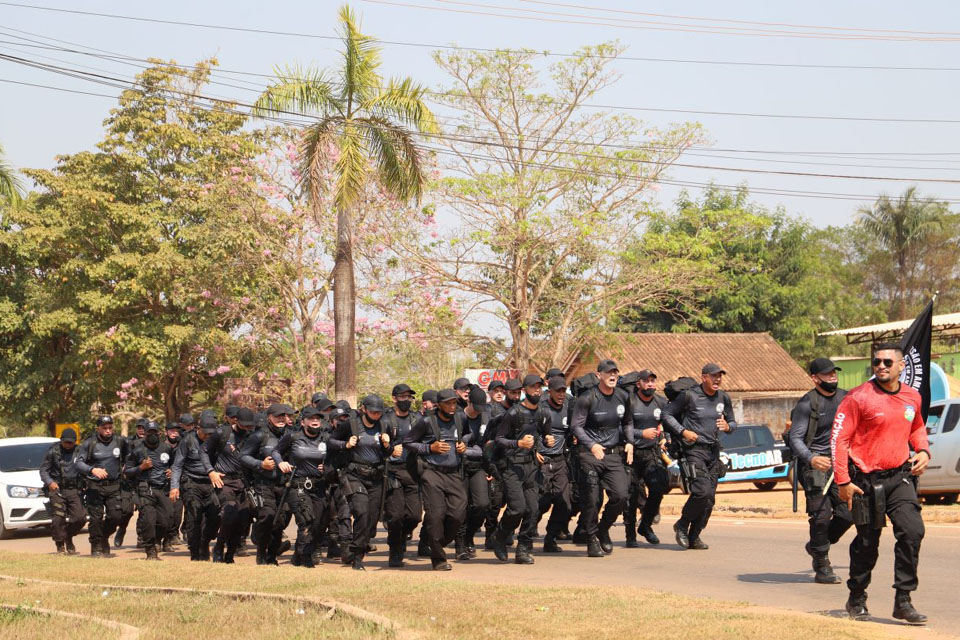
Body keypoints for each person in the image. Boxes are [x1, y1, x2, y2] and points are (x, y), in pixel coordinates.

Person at [833, 343, 931, 625]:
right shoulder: (858, 397)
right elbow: (839, 440)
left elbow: (916, 427)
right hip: (865, 481)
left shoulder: (912, 396)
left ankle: (903, 601)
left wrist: (923, 450)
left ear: (901, 366)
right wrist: (843, 481)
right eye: (876, 362)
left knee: (912, 532)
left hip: (899, 477)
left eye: (888, 362)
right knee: (867, 544)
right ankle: (857, 597)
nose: (881, 366)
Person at [788, 357, 852, 584]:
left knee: (848, 513)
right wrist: (812, 458)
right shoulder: (807, 404)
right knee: (821, 515)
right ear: (815, 378)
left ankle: (817, 545)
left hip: (842, 465)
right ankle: (822, 565)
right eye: (827, 374)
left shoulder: (847, 398)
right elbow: (795, 438)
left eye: (834, 373)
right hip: (815, 467)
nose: (832, 377)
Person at [662, 363, 737, 551]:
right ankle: (682, 524)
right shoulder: (689, 396)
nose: (717, 379)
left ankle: (694, 536)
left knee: (709, 499)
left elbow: (733, 422)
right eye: (713, 376)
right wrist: (683, 431)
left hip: (713, 451)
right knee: (701, 491)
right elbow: (667, 415)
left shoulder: (723, 397)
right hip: (693, 450)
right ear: (704, 377)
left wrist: (728, 427)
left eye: (720, 376)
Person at [570, 360, 634, 557]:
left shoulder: (623, 397)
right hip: (590, 455)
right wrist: (592, 445)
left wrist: (630, 441)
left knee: (621, 495)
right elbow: (576, 427)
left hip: (613, 454)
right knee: (591, 499)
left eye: (615, 372)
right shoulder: (587, 398)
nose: (612, 375)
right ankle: (591, 540)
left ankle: (603, 528)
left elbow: (628, 422)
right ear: (599, 375)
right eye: (608, 373)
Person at [328, 394, 395, 570]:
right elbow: (331, 441)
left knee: (371, 520)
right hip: (355, 474)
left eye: (379, 412)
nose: (376, 415)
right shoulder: (351, 424)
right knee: (361, 511)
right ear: (364, 409)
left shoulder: (384, 425)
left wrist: (388, 445)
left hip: (376, 476)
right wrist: (346, 445)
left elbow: (389, 453)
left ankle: (359, 549)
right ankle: (357, 557)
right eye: (373, 411)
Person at [404, 389, 468, 571]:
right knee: (435, 515)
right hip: (431, 472)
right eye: (448, 403)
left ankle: (438, 542)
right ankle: (439, 559)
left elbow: (469, 434)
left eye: (454, 403)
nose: (452, 406)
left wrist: (465, 444)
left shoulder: (460, 418)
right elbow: (408, 442)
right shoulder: (426, 422)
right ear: (439, 405)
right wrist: (429, 448)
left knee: (458, 513)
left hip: (454, 472)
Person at [491, 374, 551, 564]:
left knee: (533, 509)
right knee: (517, 508)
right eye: (533, 387)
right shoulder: (513, 413)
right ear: (525, 390)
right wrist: (518, 443)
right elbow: (499, 440)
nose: (537, 391)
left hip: (532, 466)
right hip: (512, 466)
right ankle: (499, 537)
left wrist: (548, 442)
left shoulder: (543, 413)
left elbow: (545, 435)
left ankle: (523, 548)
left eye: (539, 387)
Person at [273, 406, 331, 568]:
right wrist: (281, 462)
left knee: (318, 524)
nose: (315, 421)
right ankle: (306, 557)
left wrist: (328, 466)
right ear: (304, 421)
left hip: (319, 486)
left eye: (317, 418)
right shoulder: (293, 437)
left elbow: (336, 457)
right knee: (306, 520)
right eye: (311, 418)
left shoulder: (326, 438)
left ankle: (297, 556)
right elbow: (276, 452)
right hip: (298, 485)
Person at [204, 407, 256, 563]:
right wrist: (210, 471)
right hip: (224, 481)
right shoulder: (222, 433)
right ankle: (219, 547)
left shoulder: (253, 436)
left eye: (250, 425)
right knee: (229, 515)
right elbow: (203, 451)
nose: (247, 427)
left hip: (244, 483)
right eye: (244, 424)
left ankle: (230, 554)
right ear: (236, 421)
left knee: (242, 521)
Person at [241, 403, 290, 565]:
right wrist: (260, 464)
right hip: (263, 484)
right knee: (268, 516)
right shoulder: (259, 436)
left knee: (280, 521)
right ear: (269, 417)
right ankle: (261, 553)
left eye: (284, 416)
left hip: (284, 485)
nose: (281, 419)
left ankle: (272, 556)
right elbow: (243, 457)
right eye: (277, 416)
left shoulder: (291, 435)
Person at [624, 369, 668, 547]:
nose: (650, 384)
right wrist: (640, 433)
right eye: (646, 381)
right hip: (631, 454)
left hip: (652, 453)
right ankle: (630, 536)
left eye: (653, 381)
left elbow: (666, 423)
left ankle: (645, 525)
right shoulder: (630, 402)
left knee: (659, 488)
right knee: (631, 495)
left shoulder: (660, 402)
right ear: (638, 384)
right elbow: (621, 428)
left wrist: (665, 437)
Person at [75, 415, 129, 557]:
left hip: (114, 485)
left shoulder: (120, 441)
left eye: (110, 427)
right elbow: (79, 463)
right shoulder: (89, 443)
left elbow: (128, 457)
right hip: (95, 486)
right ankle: (96, 545)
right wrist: (92, 470)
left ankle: (104, 536)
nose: (108, 431)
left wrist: (125, 469)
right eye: (104, 428)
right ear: (98, 428)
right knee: (96, 519)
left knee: (116, 516)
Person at [170, 410, 220, 561]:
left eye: (211, 434)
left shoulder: (216, 441)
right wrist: (174, 486)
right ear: (198, 428)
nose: (207, 437)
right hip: (191, 482)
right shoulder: (188, 441)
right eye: (205, 433)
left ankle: (204, 542)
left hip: (211, 483)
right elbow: (177, 465)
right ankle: (195, 553)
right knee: (194, 516)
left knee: (215, 516)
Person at [382, 384, 423, 567]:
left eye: (409, 397)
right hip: (393, 471)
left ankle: (401, 537)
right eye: (402, 396)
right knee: (396, 515)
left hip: (413, 470)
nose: (406, 400)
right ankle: (395, 550)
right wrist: (389, 450)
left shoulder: (417, 418)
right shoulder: (385, 419)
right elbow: (375, 445)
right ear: (394, 398)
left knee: (414, 516)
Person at [124, 421, 175, 560]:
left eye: (155, 433)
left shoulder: (167, 448)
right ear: (144, 434)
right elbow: (127, 471)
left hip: (163, 489)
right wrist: (141, 467)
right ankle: (150, 551)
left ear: (159, 433)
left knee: (166, 520)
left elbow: (175, 465)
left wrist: (172, 471)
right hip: (146, 489)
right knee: (148, 521)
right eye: (149, 433)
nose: (152, 435)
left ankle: (158, 540)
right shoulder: (137, 450)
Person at [537, 376, 573, 553]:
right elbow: (529, 432)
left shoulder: (569, 408)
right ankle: (526, 535)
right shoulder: (542, 410)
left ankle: (550, 538)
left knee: (564, 503)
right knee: (541, 503)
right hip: (542, 461)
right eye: (557, 391)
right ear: (549, 391)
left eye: (563, 391)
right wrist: (538, 447)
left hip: (560, 460)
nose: (561, 394)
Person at [458, 385, 492, 559]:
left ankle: (469, 535)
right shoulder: (458, 417)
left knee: (482, 504)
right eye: (475, 408)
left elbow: (485, 444)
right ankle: (460, 545)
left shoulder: (486, 417)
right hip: (459, 467)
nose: (478, 412)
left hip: (478, 465)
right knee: (460, 506)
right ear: (468, 401)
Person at [39, 428, 85, 555]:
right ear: (61, 441)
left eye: (71, 442)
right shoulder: (53, 451)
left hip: (74, 489)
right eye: (66, 442)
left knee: (80, 518)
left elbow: (86, 467)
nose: (68, 445)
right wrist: (49, 482)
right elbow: (43, 470)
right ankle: (60, 545)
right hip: (57, 489)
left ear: (75, 442)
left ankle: (68, 536)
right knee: (58, 518)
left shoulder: (79, 451)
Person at [165, 422, 185, 545]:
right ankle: (167, 536)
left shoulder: (183, 445)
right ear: (166, 431)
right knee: (166, 512)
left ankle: (174, 533)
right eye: (171, 431)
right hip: (163, 484)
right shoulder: (161, 446)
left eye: (176, 431)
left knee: (177, 512)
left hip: (179, 483)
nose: (174, 433)